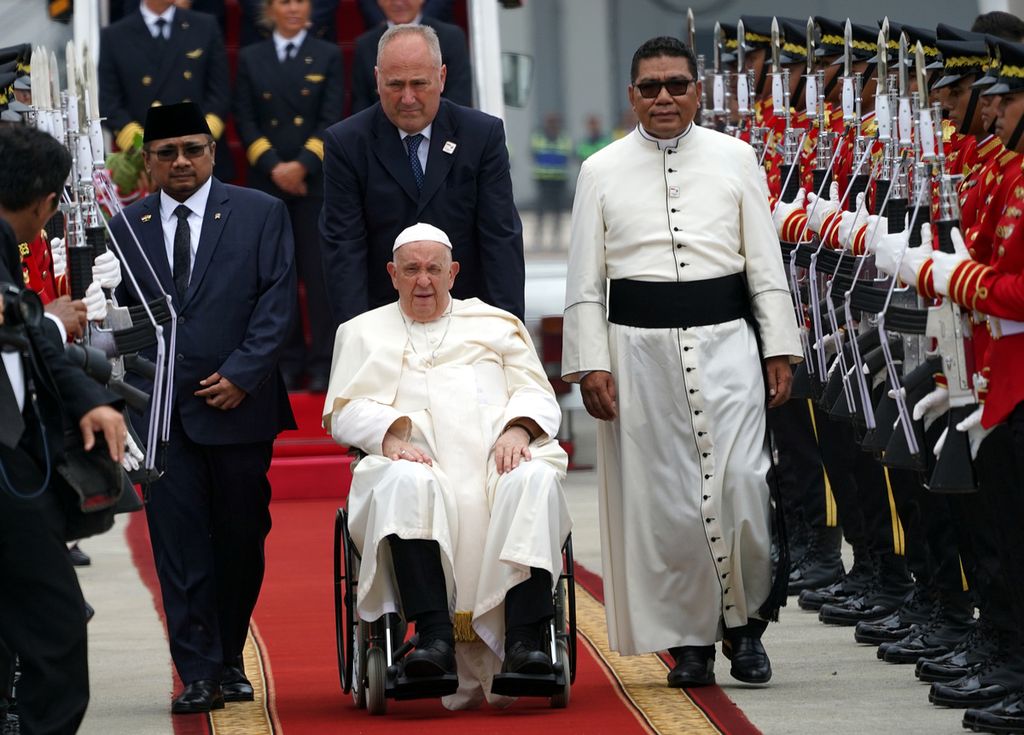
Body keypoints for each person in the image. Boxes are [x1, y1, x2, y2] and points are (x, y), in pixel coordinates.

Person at [561, 36, 801, 688]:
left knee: (744, 486)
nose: (664, 97)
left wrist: (780, 344)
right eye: (650, 86)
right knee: (664, 507)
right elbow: (585, 279)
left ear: (697, 90)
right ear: (632, 94)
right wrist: (589, 364)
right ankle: (689, 641)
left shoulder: (736, 157)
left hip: (727, 345)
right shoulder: (600, 170)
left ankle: (745, 623)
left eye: (676, 84)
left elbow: (764, 260)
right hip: (639, 357)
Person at [323, 222, 571, 710]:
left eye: (434, 269)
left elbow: (535, 393)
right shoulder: (361, 332)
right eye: (411, 269)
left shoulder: (496, 325)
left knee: (535, 477)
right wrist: (390, 435)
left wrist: (519, 430)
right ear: (392, 273)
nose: (423, 280)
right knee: (404, 482)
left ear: (453, 272)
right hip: (414, 460)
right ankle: (434, 638)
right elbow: (343, 409)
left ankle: (526, 642)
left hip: (495, 461)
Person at [110, 102, 296, 714]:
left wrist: (243, 373)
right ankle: (196, 670)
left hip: (239, 406)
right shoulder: (123, 227)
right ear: (149, 162)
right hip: (159, 415)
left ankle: (227, 655)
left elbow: (278, 301)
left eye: (193, 149)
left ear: (213, 153)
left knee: (242, 537)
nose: (181, 162)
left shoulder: (260, 213)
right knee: (178, 541)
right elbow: (113, 315)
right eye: (167, 153)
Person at [0, 125, 126, 735]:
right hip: (7, 466)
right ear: (42, 202)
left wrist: (86, 401)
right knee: (54, 624)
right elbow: (27, 333)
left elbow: (24, 328)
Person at [320, 23, 524, 326]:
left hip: (468, 317)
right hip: (383, 319)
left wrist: (507, 330)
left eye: (418, 83)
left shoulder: (482, 136)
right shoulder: (347, 144)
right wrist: (357, 335)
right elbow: (344, 248)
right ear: (376, 80)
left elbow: (500, 239)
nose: (407, 98)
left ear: (441, 78)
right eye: (394, 85)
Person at [235, 0, 344, 391]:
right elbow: (244, 118)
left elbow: (332, 115)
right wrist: (275, 168)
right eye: (284, 1)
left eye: (300, 1)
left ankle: (322, 362)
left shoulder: (327, 55)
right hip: (267, 183)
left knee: (317, 278)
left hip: (314, 181)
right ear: (270, 10)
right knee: (277, 276)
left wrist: (301, 167)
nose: (293, 8)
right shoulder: (251, 57)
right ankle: (285, 359)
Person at [99, 0, 233, 182]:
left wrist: (198, 143)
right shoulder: (114, 35)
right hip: (145, 166)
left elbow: (220, 95)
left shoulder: (205, 26)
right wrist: (144, 148)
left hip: (201, 159)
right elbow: (110, 103)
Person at [349, 0, 472, 114]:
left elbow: (459, 98)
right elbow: (361, 104)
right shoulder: (365, 44)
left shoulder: (451, 37)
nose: (398, 2)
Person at [530, 112, 572, 250]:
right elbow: (534, 154)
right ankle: (538, 239)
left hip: (559, 181)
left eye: (554, 122)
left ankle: (556, 240)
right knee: (540, 211)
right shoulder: (538, 138)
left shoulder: (564, 139)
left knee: (558, 212)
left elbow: (566, 156)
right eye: (550, 122)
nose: (552, 125)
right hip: (543, 180)